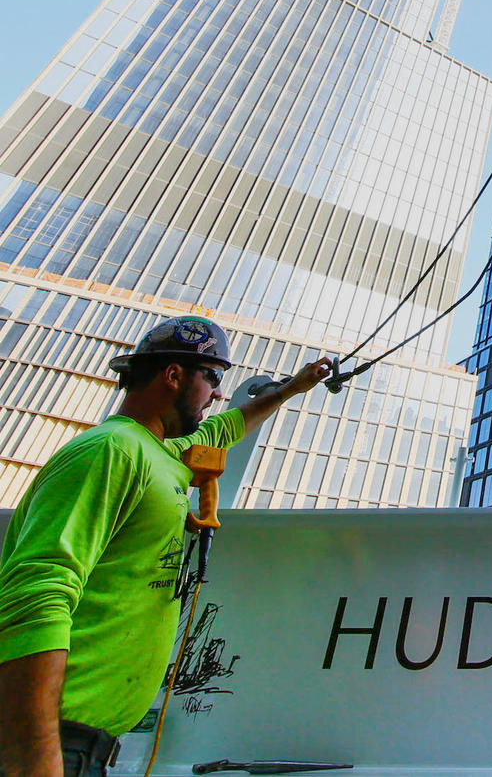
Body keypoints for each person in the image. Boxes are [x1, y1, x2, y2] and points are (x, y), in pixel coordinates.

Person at [0, 315, 331, 777]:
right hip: (51, 743)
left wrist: (291, 390)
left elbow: (224, 430)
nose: (218, 393)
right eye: (213, 377)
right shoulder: (110, 450)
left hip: (83, 746)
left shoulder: (163, 454)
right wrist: (35, 758)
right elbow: (37, 594)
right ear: (174, 375)